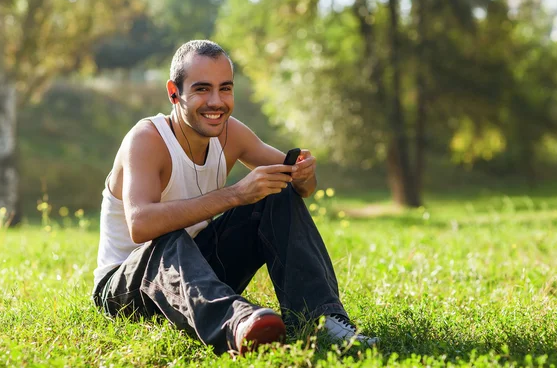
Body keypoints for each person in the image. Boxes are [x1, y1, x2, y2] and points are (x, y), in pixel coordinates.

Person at [92, 40, 378, 355]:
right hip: (127, 288)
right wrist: (236, 194)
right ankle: (240, 325)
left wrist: (304, 174)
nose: (216, 102)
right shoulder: (147, 140)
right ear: (174, 92)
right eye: (202, 89)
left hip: (195, 276)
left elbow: (299, 188)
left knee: (274, 190)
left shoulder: (231, 133)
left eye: (225, 89)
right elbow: (141, 225)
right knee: (168, 239)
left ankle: (322, 321)